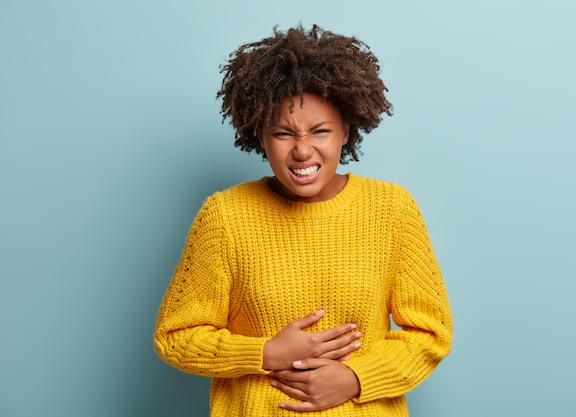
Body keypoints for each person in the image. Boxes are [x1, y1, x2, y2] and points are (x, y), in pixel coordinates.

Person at [154, 24, 453, 416]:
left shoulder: (392, 209)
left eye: (320, 131)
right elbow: (176, 337)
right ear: (259, 135)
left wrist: (356, 378)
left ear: (346, 130)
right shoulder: (224, 216)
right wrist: (266, 352)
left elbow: (430, 334)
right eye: (282, 133)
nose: (302, 150)